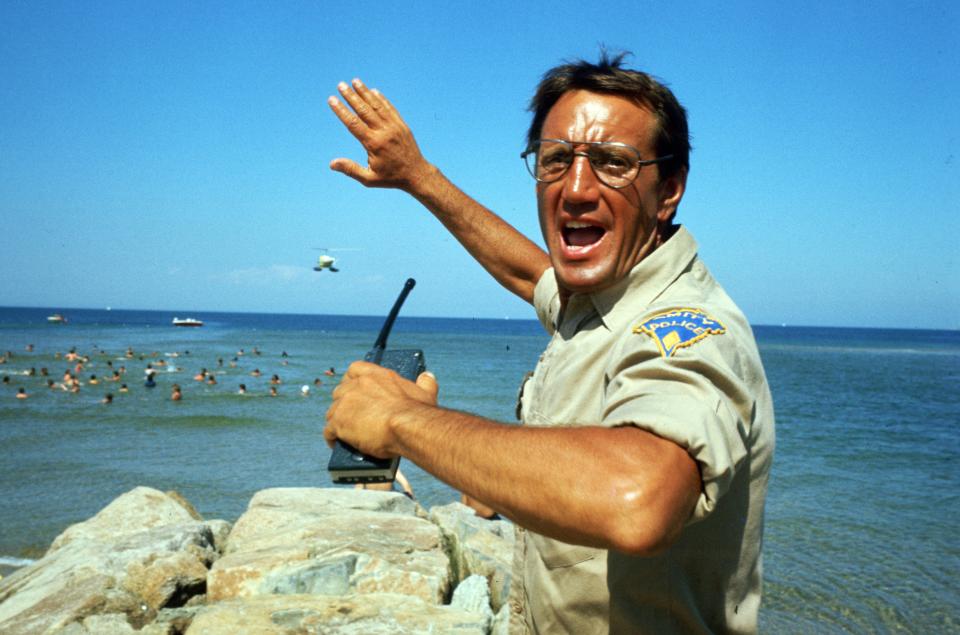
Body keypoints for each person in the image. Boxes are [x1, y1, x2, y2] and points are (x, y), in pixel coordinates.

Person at [323, 53, 775, 634]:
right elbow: (525, 272)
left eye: (614, 163)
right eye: (555, 160)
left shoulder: (687, 326)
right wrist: (418, 176)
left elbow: (639, 499)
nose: (576, 189)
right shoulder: (600, 296)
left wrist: (402, 421)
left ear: (669, 190)